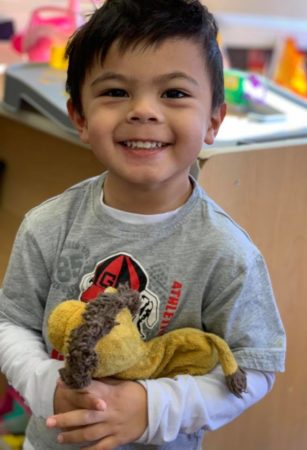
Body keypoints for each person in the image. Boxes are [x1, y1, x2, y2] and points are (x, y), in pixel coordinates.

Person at [0, 0, 286, 449]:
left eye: (173, 93)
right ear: (80, 117)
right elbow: (10, 321)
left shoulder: (226, 251)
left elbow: (255, 366)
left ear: (213, 119)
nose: (144, 111)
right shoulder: (48, 224)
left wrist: (152, 406)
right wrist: (46, 387)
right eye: (116, 92)